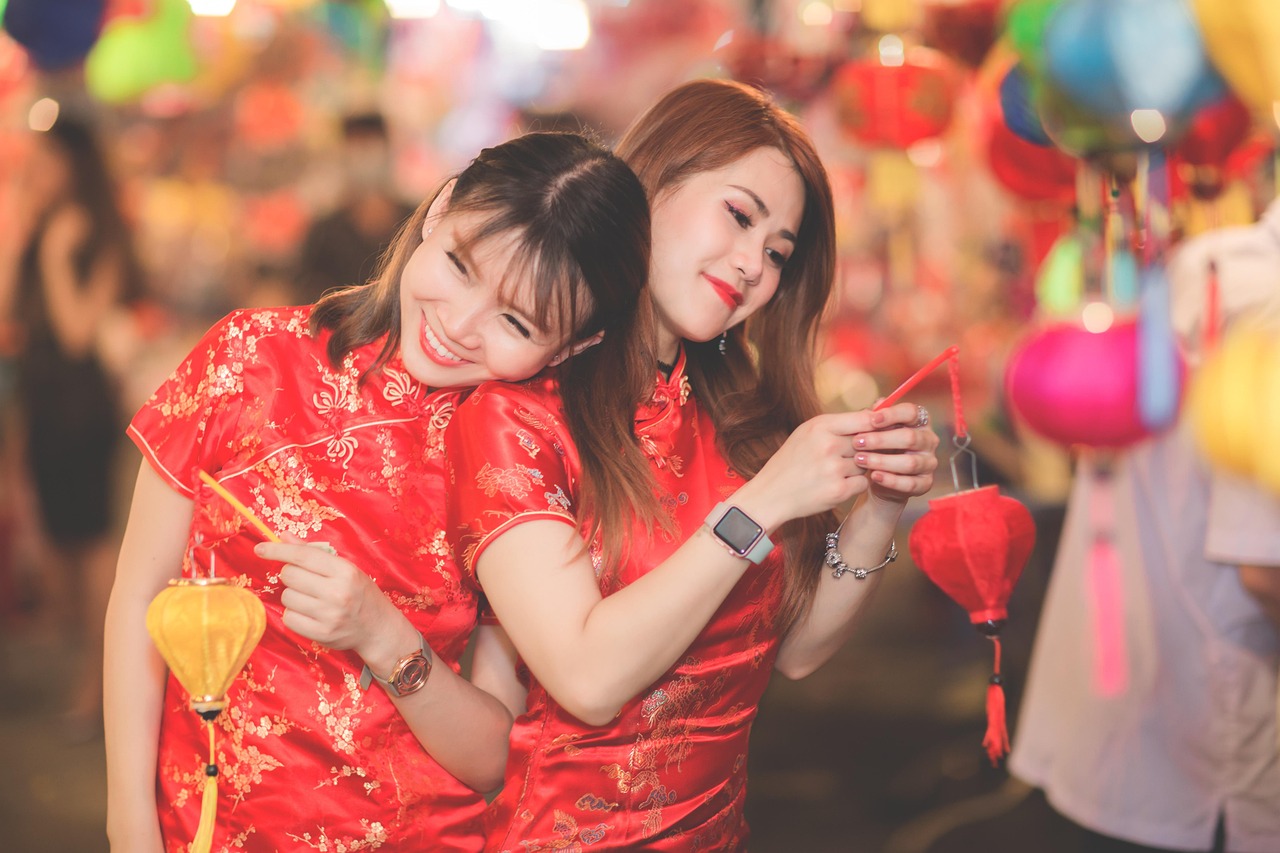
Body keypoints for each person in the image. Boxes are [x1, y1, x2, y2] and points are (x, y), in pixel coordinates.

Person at [103, 131, 652, 853]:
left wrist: (384, 636)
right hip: (203, 824)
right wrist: (128, 823)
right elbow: (140, 600)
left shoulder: (525, 470)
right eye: (459, 265)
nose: (459, 325)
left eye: (516, 321)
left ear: (575, 344)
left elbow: (495, 758)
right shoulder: (248, 358)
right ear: (440, 208)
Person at [444, 78, 940, 850]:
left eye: (777, 253)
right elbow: (587, 678)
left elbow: (795, 648)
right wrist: (761, 504)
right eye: (739, 215)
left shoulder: (736, 412)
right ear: (652, 181)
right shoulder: (519, 412)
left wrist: (881, 502)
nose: (752, 265)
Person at [1007, 200, 1280, 852]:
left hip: (1136, 719)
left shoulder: (1214, 261)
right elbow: (1266, 571)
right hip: (1209, 742)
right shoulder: (1264, 302)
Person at [0, 114, 146, 738]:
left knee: (91, 546)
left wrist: (59, 257)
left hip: (82, 412)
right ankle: (88, 671)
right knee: (61, 543)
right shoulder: (43, 226)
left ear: (74, 163)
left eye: (47, 159)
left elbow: (77, 332)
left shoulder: (97, 233)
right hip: (42, 405)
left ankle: (100, 685)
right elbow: (9, 312)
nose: (36, 170)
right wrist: (25, 230)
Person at [294, 111, 416, 303]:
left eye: (371, 145)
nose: (365, 156)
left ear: (387, 149)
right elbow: (309, 295)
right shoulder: (325, 233)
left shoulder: (415, 221)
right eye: (357, 147)